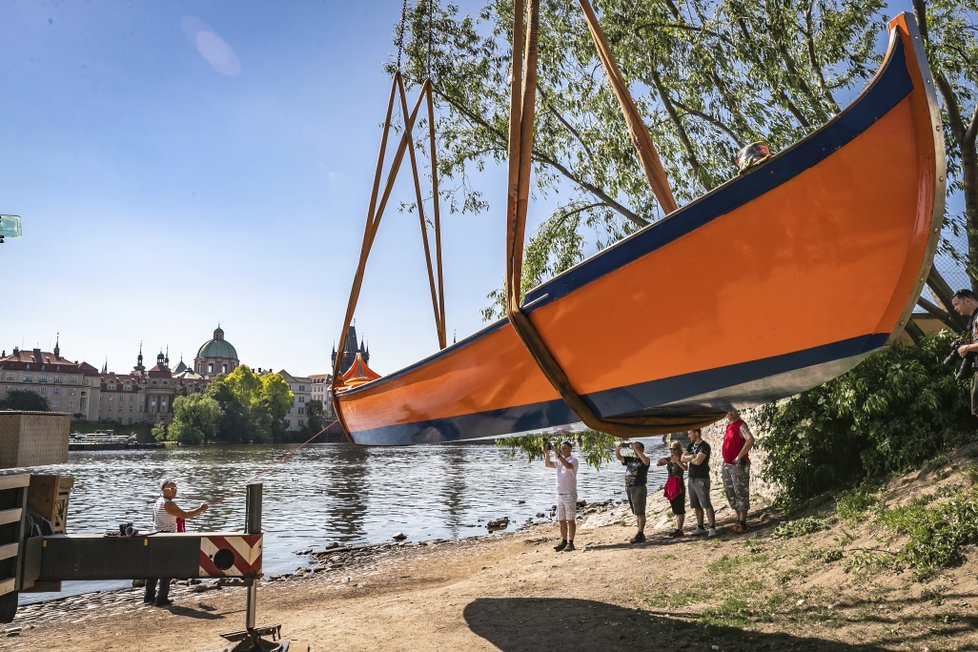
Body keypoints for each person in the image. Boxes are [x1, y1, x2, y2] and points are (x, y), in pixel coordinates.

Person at [144, 478, 209, 607]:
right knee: (167, 569)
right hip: (166, 538)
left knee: (154, 568)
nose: (175, 490)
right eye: (172, 488)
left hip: (156, 536)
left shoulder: (158, 502)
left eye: (175, 488)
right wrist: (200, 509)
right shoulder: (168, 504)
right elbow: (185, 515)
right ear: (163, 490)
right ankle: (162, 598)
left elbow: (156, 518)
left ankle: (149, 597)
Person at [721, 410, 754, 534]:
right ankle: (738, 520)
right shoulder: (729, 426)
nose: (729, 413)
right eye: (727, 411)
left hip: (738, 465)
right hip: (727, 464)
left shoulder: (741, 425)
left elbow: (750, 439)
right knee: (730, 492)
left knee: (741, 491)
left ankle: (742, 522)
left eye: (731, 411)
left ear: (736, 412)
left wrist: (739, 456)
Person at [543, 440, 579, 552]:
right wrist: (546, 453)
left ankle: (571, 543)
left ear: (570, 449)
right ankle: (564, 542)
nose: (563, 450)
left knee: (570, 520)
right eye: (562, 448)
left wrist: (558, 455)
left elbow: (568, 466)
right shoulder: (559, 461)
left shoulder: (573, 460)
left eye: (565, 448)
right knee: (561, 520)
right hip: (560, 495)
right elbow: (548, 464)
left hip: (569, 494)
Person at [682, 428, 717, 537]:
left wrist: (690, 458)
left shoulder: (704, 446)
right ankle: (700, 526)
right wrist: (692, 456)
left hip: (701, 478)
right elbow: (682, 459)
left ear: (696, 433)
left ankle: (712, 528)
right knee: (696, 504)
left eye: (690, 433)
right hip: (691, 478)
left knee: (706, 503)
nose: (688, 436)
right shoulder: (690, 446)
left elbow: (698, 461)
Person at [614, 441, 651, 543]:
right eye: (635, 447)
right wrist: (618, 449)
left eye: (638, 447)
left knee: (640, 512)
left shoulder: (645, 460)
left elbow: (646, 461)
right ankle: (639, 532)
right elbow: (619, 458)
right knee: (636, 512)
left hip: (639, 488)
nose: (635, 449)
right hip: (629, 488)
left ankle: (640, 534)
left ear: (642, 449)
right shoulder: (630, 459)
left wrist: (635, 449)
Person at [951, 288, 978, 420]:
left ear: (968, 301)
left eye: (956, 304)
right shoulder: (974, 320)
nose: (955, 308)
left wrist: (966, 347)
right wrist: (967, 343)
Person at [657, 440, 687, 537]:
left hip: (679, 484)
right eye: (671, 449)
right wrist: (664, 460)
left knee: (680, 508)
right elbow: (658, 463)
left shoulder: (682, 457)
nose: (672, 451)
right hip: (670, 484)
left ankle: (680, 529)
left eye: (674, 449)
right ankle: (677, 528)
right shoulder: (670, 458)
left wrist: (677, 460)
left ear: (678, 449)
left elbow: (685, 468)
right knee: (674, 508)